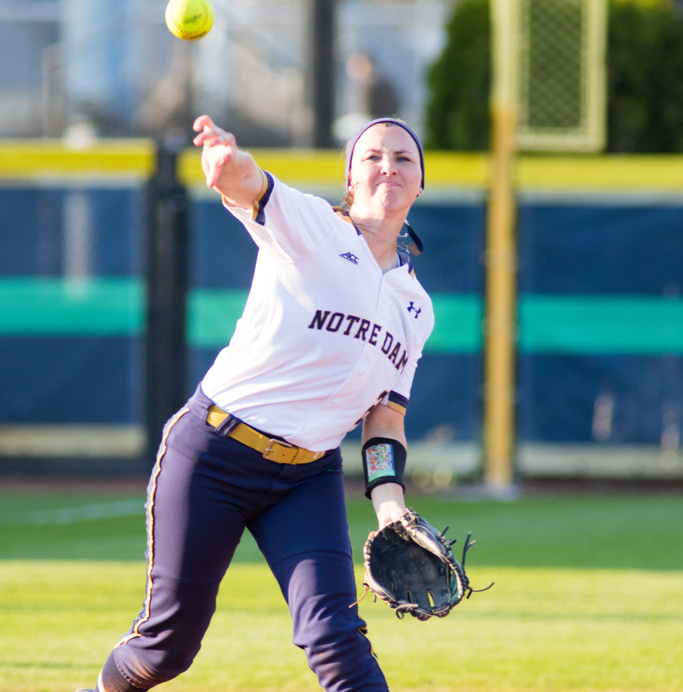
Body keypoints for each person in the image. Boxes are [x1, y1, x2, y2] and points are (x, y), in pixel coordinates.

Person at [78, 113, 433, 692]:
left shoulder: (416, 307)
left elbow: (385, 418)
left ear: (420, 184)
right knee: (168, 646)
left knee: (336, 636)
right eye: (372, 156)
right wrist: (226, 162)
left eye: (403, 159)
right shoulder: (315, 228)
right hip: (214, 453)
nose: (387, 167)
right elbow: (251, 185)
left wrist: (390, 508)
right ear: (350, 178)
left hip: (306, 477)